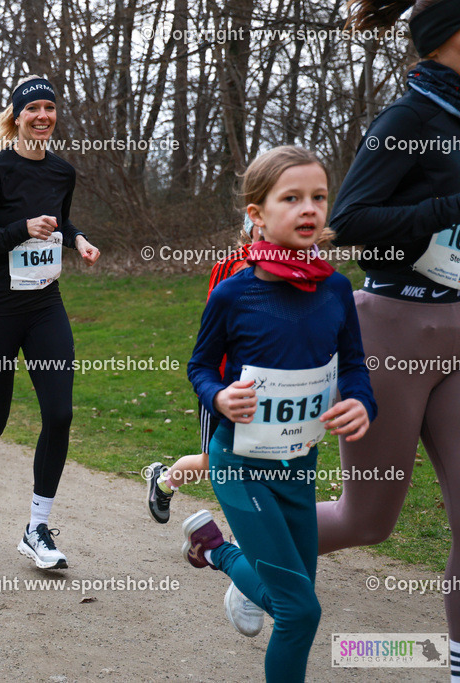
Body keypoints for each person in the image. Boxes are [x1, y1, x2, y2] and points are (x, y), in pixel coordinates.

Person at [183, 146, 375, 682]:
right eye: (291, 198)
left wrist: (362, 402)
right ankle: (222, 554)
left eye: (318, 197)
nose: (309, 208)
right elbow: (200, 367)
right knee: (299, 611)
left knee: (296, 598)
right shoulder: (233, 293)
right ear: (257, 214)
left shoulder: (336, 289)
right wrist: (219, 397)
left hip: (298, 467)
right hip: (240, 464)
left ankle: (215, 550)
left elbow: (354, 365)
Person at [314, 2, 460, 675]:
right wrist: (448, 208)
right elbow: (347, 221)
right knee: (368, 521)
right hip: (393, 328)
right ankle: (254, 558)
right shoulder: (408, 119)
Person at [0, 76, 100, 569]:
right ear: (16, 117)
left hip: (44, 305)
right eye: (32, 108)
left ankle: (37, 527)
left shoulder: (62, 171)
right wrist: (21, 229)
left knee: (59, 415)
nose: (42, 116)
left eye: (49, 108)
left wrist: (77, 240)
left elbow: (61, 220)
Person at [146, 216, 260, 524]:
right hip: (222, 383)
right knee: (213, 462)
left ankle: (253, 534)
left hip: (265, 387)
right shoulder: (229, 266)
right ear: (252, 228)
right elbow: (215, 327)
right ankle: (163, 482)